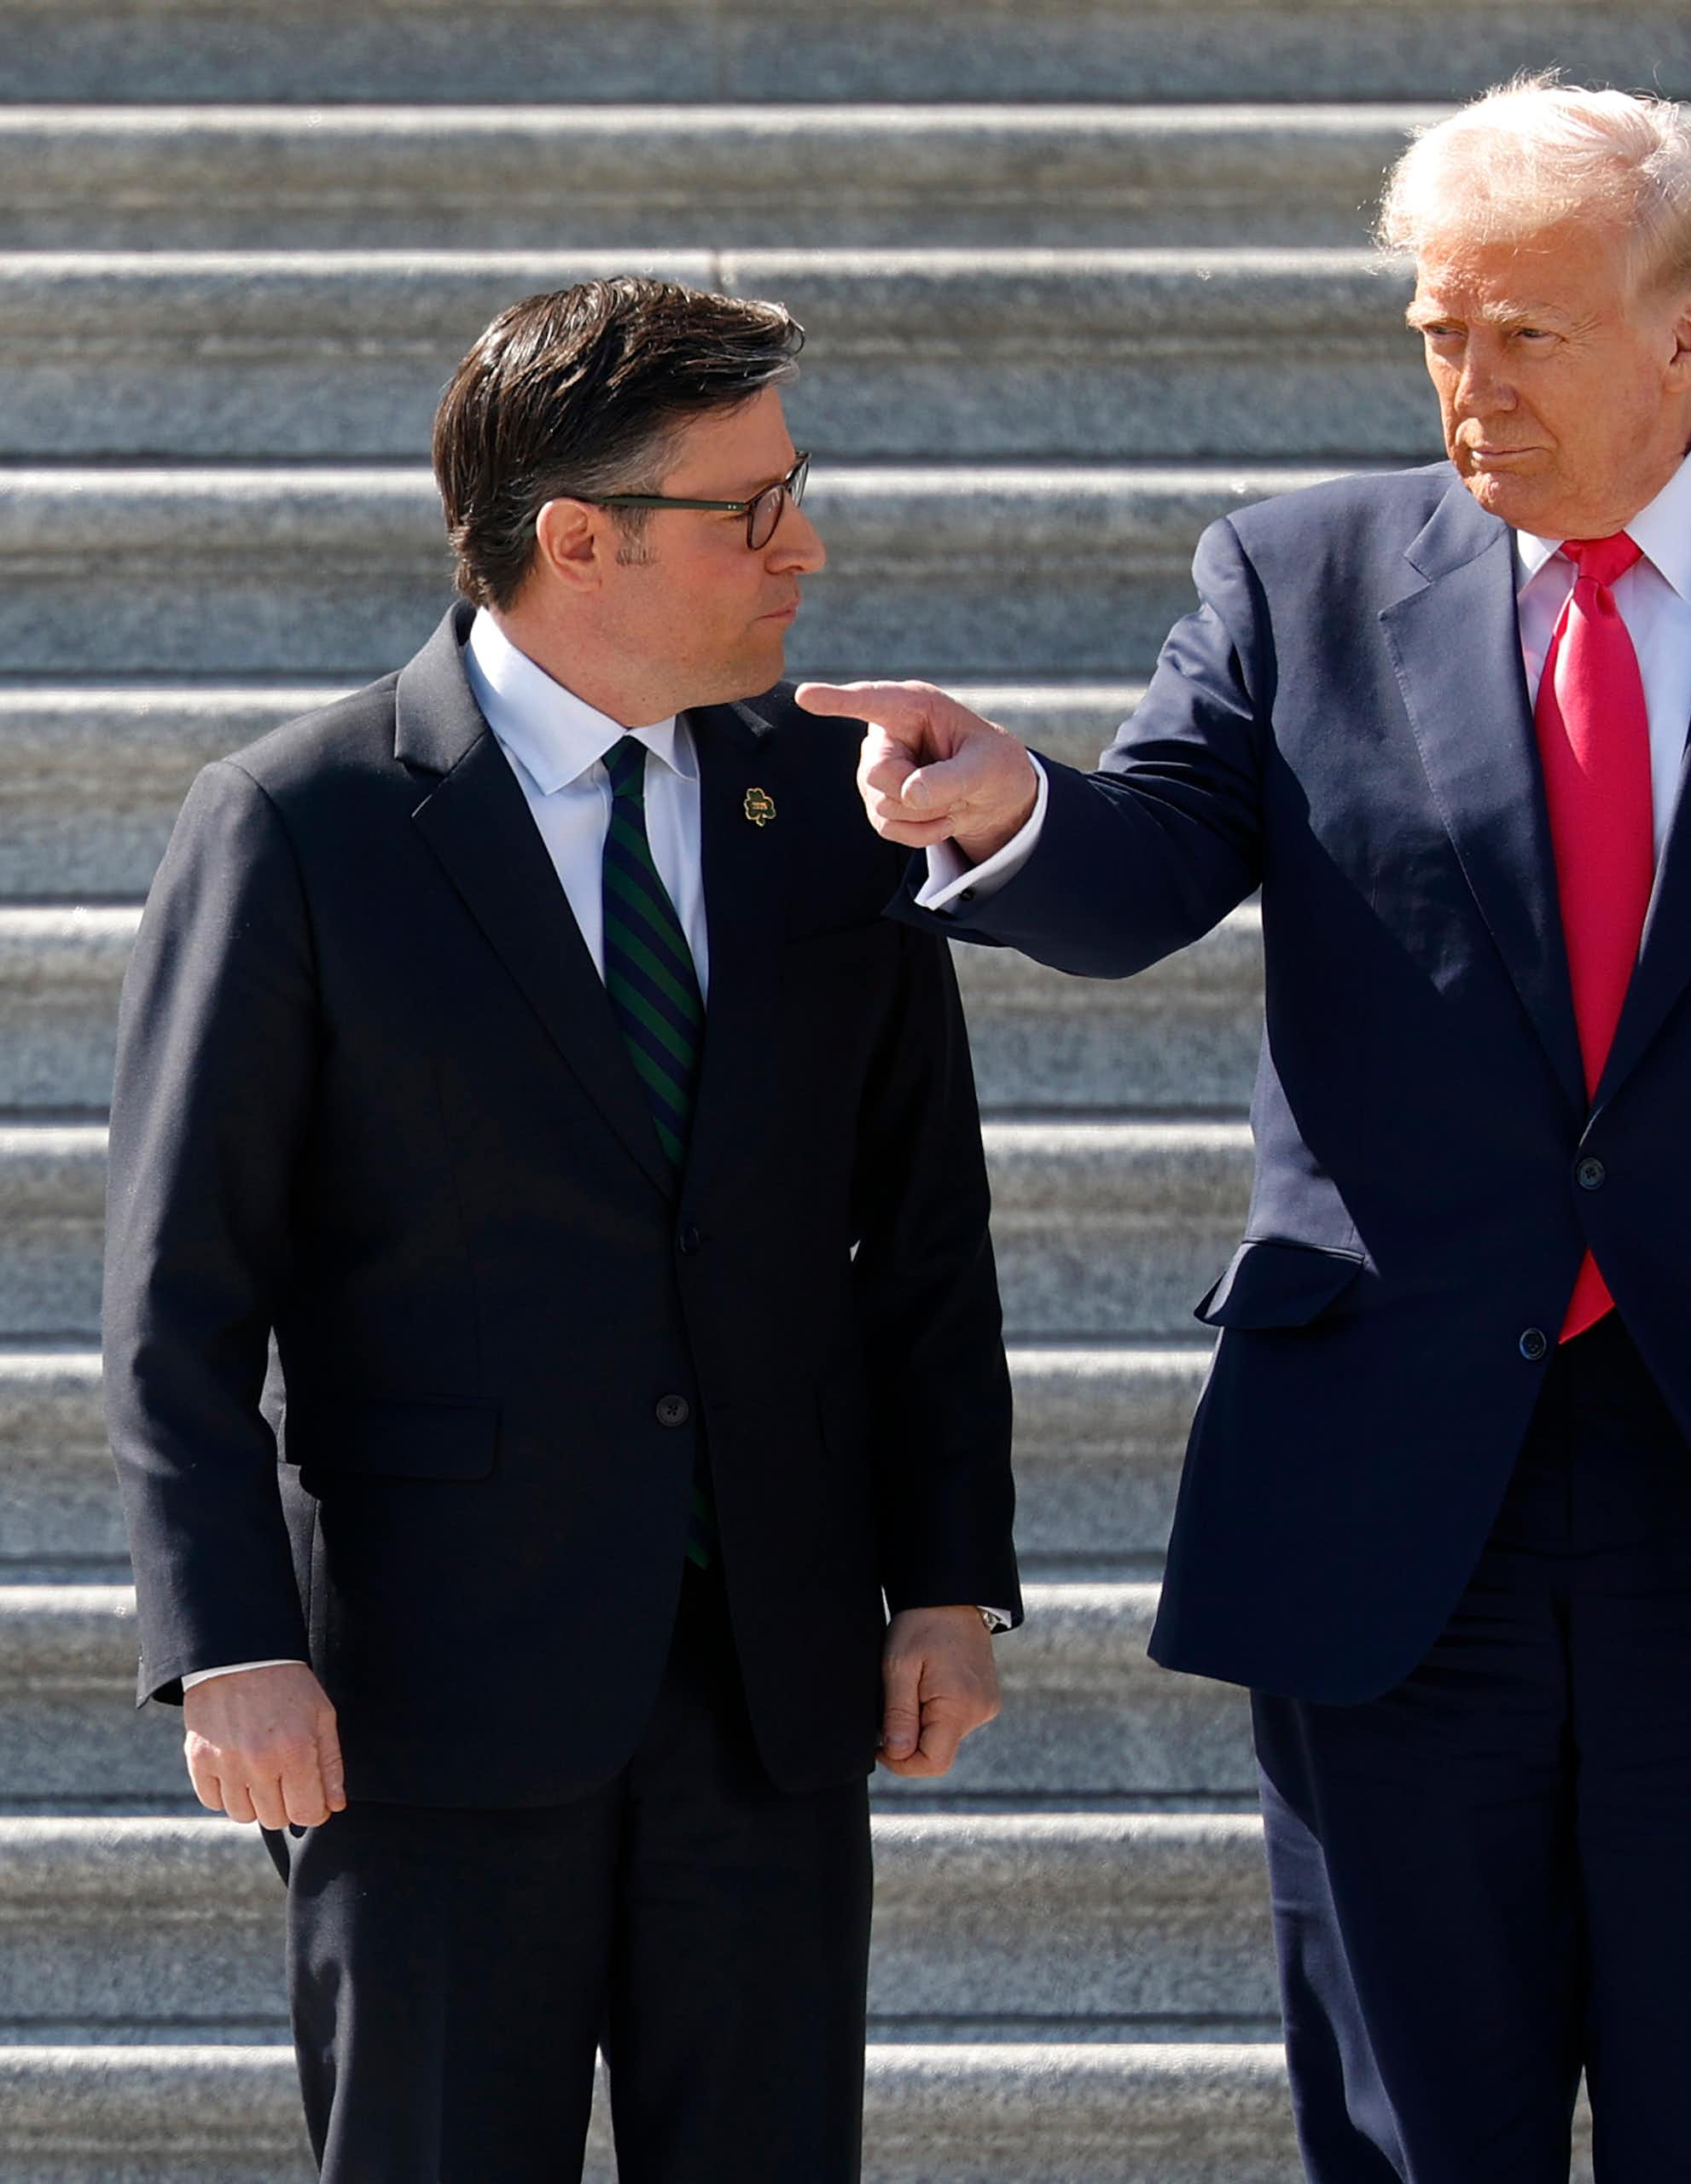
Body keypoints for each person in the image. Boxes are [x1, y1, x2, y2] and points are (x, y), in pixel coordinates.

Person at [799, 77, 1691, 2183]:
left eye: (1523, 333)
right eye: (1433, 331)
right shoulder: (1294, 573)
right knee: (1409, 2133)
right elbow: (1147, 859)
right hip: (1390, 1497)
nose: (1464, 387)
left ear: (1690, 330)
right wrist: (1008, 805)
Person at [103, 276, 1020, 2184]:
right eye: (748, 507)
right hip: (424, 1698)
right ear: (575, 539)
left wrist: (945, 1573)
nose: (806, 543)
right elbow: (180, 1289)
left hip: (769, 1686)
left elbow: (921, 1244)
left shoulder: (836, 822)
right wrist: (225, 1642)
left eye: (797, 489)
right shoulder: (306, 820)